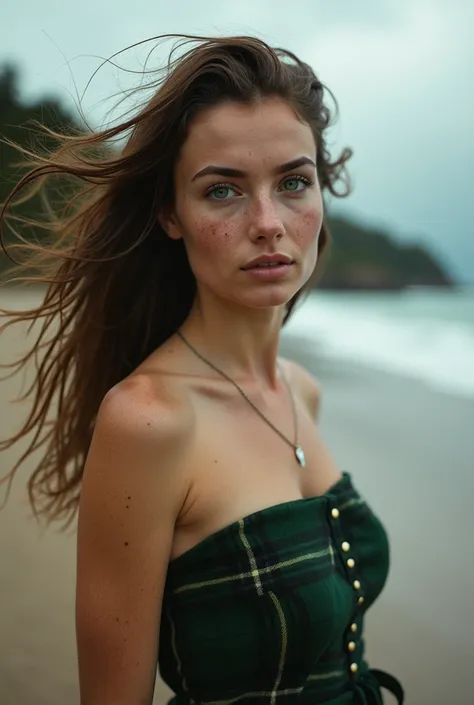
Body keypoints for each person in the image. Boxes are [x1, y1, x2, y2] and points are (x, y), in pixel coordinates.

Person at [0, 35, 404, 705]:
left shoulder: (302, 389)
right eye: (224, 191)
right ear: (170, 213)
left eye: (294, 183)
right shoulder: (149, 421)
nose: (269, 223)